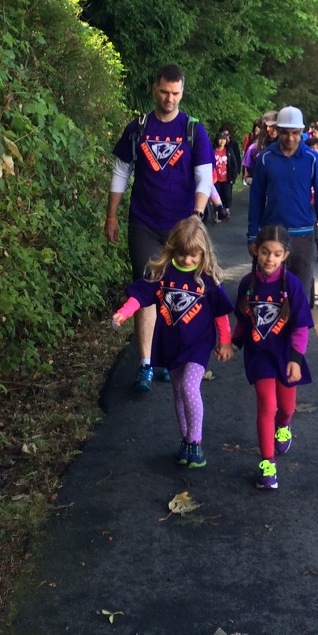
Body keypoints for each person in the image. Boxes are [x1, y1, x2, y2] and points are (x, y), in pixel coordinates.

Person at [106, 64, 214, 392]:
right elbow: (121, 171)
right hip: (144, 221)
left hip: (181, 227)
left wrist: (196, 215)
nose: (169, 99)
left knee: (175, 291)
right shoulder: (138, 128)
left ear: (182, 93)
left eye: (176, 94)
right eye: (165, 92)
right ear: (155, 88)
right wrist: (111, 216)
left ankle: (169, 356)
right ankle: (145, 363)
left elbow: (204, 177)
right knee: (146, 285)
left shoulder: (193, 130)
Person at [111, 218, 233, 469]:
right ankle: (185, 440)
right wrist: (125, 311)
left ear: (203, 252)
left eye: (193, 255)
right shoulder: (163, 273)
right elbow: (141, 296)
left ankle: (195, 441)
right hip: (172, 340)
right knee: (178, 391)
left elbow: (220, 313)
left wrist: (226, 341)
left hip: (198, 343)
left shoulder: (206, 278)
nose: (187, 260)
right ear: (172, 248)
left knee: (189, 387)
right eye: (182, 254)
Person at [222, 225, 313, 490]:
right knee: (266, 406)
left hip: (285, 356)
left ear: (285, 256)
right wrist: (232, 344)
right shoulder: (246, 285)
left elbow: (300, 327)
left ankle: (284, 426)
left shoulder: (293, 285)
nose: (269, 259)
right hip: (259, 355)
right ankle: (267, 463)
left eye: (275, 254)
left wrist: (296, 359)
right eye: (264, 252)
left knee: (285, 408)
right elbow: (244, 322)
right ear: (256, 251)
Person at [248, 106, 318, 307]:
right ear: (277, 130)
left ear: (302, 132)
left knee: (299, 294)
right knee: (267, 292)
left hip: (302, 235)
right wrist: (252, 235)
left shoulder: (312, 158)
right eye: (285, 132)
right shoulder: (266, 158)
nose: (290, 138)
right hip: (271, 234)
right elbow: (256, 198)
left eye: (295, 133)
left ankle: (297, 337)